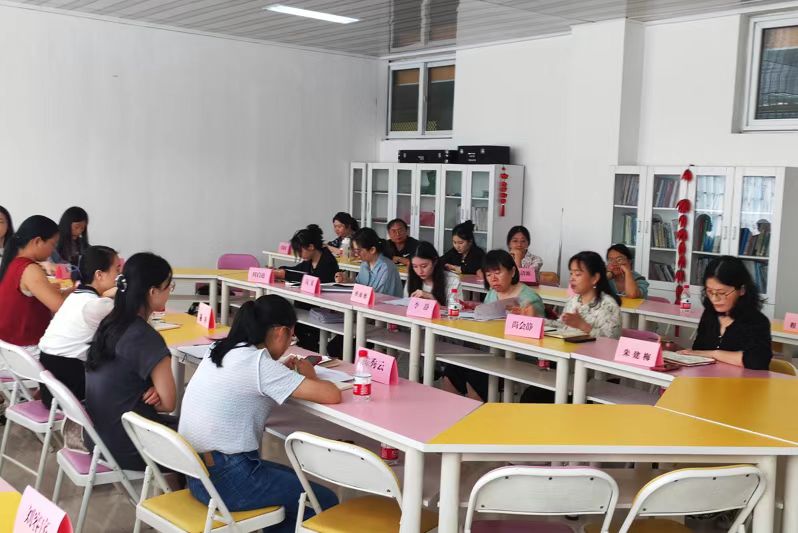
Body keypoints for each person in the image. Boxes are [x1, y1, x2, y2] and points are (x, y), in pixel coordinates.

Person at [179, 295, 340, 532]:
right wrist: (310, 375)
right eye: (292, 337)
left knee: (292, 491)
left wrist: (279, 371)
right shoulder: (258, 364)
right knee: (322, 500)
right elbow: (331, 394)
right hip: (229, 481)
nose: (289, 343)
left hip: (197, 474)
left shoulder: (220, 349)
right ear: (280, 332)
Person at [85, 252, 177, 471]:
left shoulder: (109, 324)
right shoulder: (147, 338)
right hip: (130, 445)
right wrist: (152, 392)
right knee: (205, 444)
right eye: (168, 286)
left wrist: (146, 391)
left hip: (97, 439)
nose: (169, 292)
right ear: (153, 292)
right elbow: (168, 404)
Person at [441, 250, 544, 401]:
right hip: (491, 350)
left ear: (512, 271)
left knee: (475, 377)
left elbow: (540, 336)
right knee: (452, 370)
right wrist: (477, 309)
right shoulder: (492, 293)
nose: (493, 279)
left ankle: (476, 413)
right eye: (488, 275)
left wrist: (527, 318)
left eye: (497, 273)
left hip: (518, 356)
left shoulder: (529, 298)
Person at [38, 246, 120, 408]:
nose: (119, 275)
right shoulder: (98, 305)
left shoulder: (75, 297)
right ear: (99, 274)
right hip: (72, 390)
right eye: (116, 269)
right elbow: (132, 325)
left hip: (51, 388)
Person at [678, 256, 772, 370]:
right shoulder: (710, 314)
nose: (714, 299)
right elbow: (698, 351)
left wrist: (714, 354)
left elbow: (757, 361)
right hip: (708, 377)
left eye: (722, 293)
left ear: (742, 290)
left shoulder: (757, 321)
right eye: (709, 291)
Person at [0, 215, 68, 350]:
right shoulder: (30, 269)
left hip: (10, 343)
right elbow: (60, 307)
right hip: (26, 347)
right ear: (37, 241)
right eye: (52, 244)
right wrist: (76, 289)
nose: (52, 251)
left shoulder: (15, 262)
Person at [545, 251, 622, 339]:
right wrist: (540, 321)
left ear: (595, 278)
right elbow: (563, 326)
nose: (572, 278)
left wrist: (583, 326)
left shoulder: (608, 305)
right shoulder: (573, 300)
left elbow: (612, 340)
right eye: (571, 273)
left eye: (577, 274)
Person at [337, 227, 402, 297]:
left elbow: (378, 296)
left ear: (372, 250)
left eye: (358, 251)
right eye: (355, 251)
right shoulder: (365, 264)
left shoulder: (386, 267)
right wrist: (347, 281)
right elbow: (360, 285)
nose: (356, 254)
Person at [274, 224, 339, 283]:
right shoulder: (310, 260)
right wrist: (280, 269)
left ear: (311, 247)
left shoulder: (327, 260)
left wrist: (284, 275)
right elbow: (297, 269)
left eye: (300, 251)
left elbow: (312, 280)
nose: (299, 255)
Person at [403, 241, 460, 306]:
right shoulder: (412, 278)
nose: (420, 271)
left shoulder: (452, 281)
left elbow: (456, 309)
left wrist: (431, 298)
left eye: (424, 266)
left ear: (435, 262)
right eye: (415, 266)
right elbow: (406, 305)